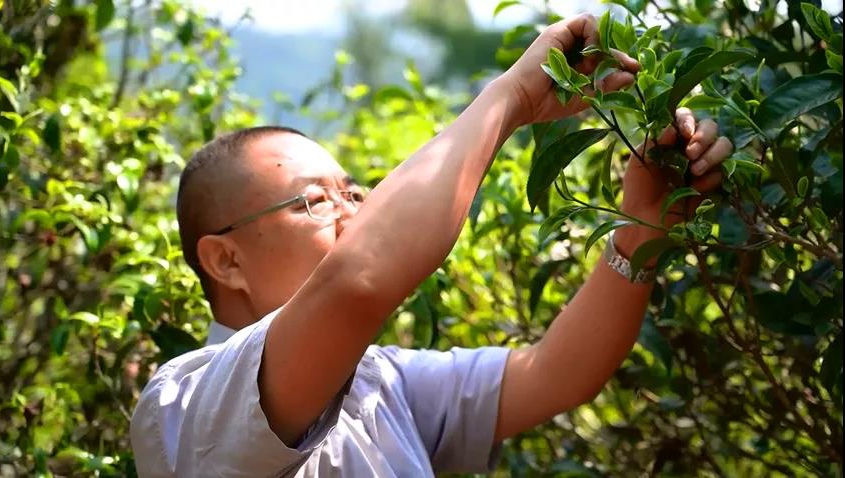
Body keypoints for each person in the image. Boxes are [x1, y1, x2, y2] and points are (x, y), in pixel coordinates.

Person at [129, 14, 733, 477]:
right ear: (225, 259)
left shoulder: (381, 381)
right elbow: (358, 281)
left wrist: (643, 222)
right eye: (315, 200)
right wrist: (511, 98)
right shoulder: (186, 403)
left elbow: (555, 373)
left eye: (354, 192)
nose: (351, 213)